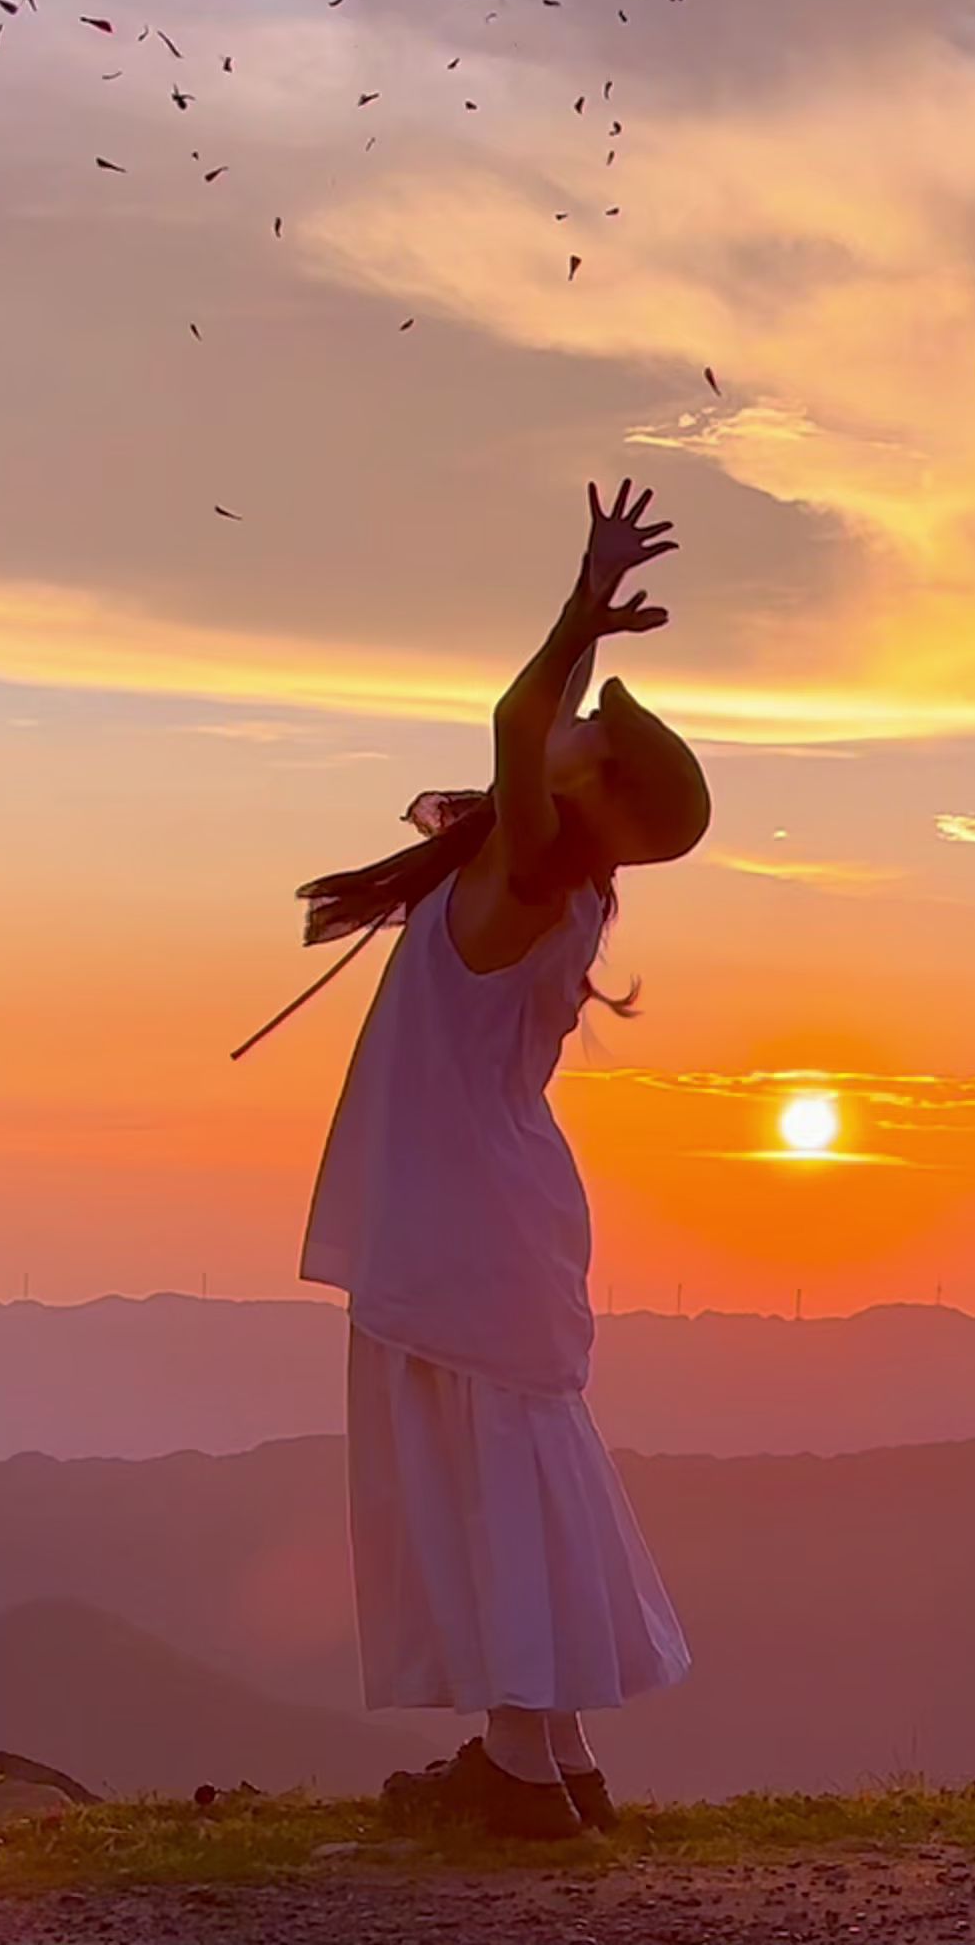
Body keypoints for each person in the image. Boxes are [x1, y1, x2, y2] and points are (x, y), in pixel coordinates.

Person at [297, 480, 712, 1842]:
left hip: (461, 1214)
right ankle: (550, 1753)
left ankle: (525, 1775)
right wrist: (585, 616)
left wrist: (581, 606)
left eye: (599, 736)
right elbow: (534, 730)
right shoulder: (560, 884)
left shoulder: (531, 874)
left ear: (591, 790)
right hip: (497, 1205)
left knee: (486, 1479)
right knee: (516, 1472)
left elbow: (516, 722)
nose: (581, 726)